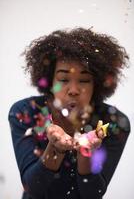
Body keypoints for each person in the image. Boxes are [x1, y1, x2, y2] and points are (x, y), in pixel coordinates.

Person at [8, 27, 130, 199]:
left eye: (84, 80)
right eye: (64, 79)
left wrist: (85, 153)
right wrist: (55, 148)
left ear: (97, 84)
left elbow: (93, 194)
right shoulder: (27, 112)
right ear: (50, 80)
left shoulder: (113, 122)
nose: (73, 90)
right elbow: (33, 187)